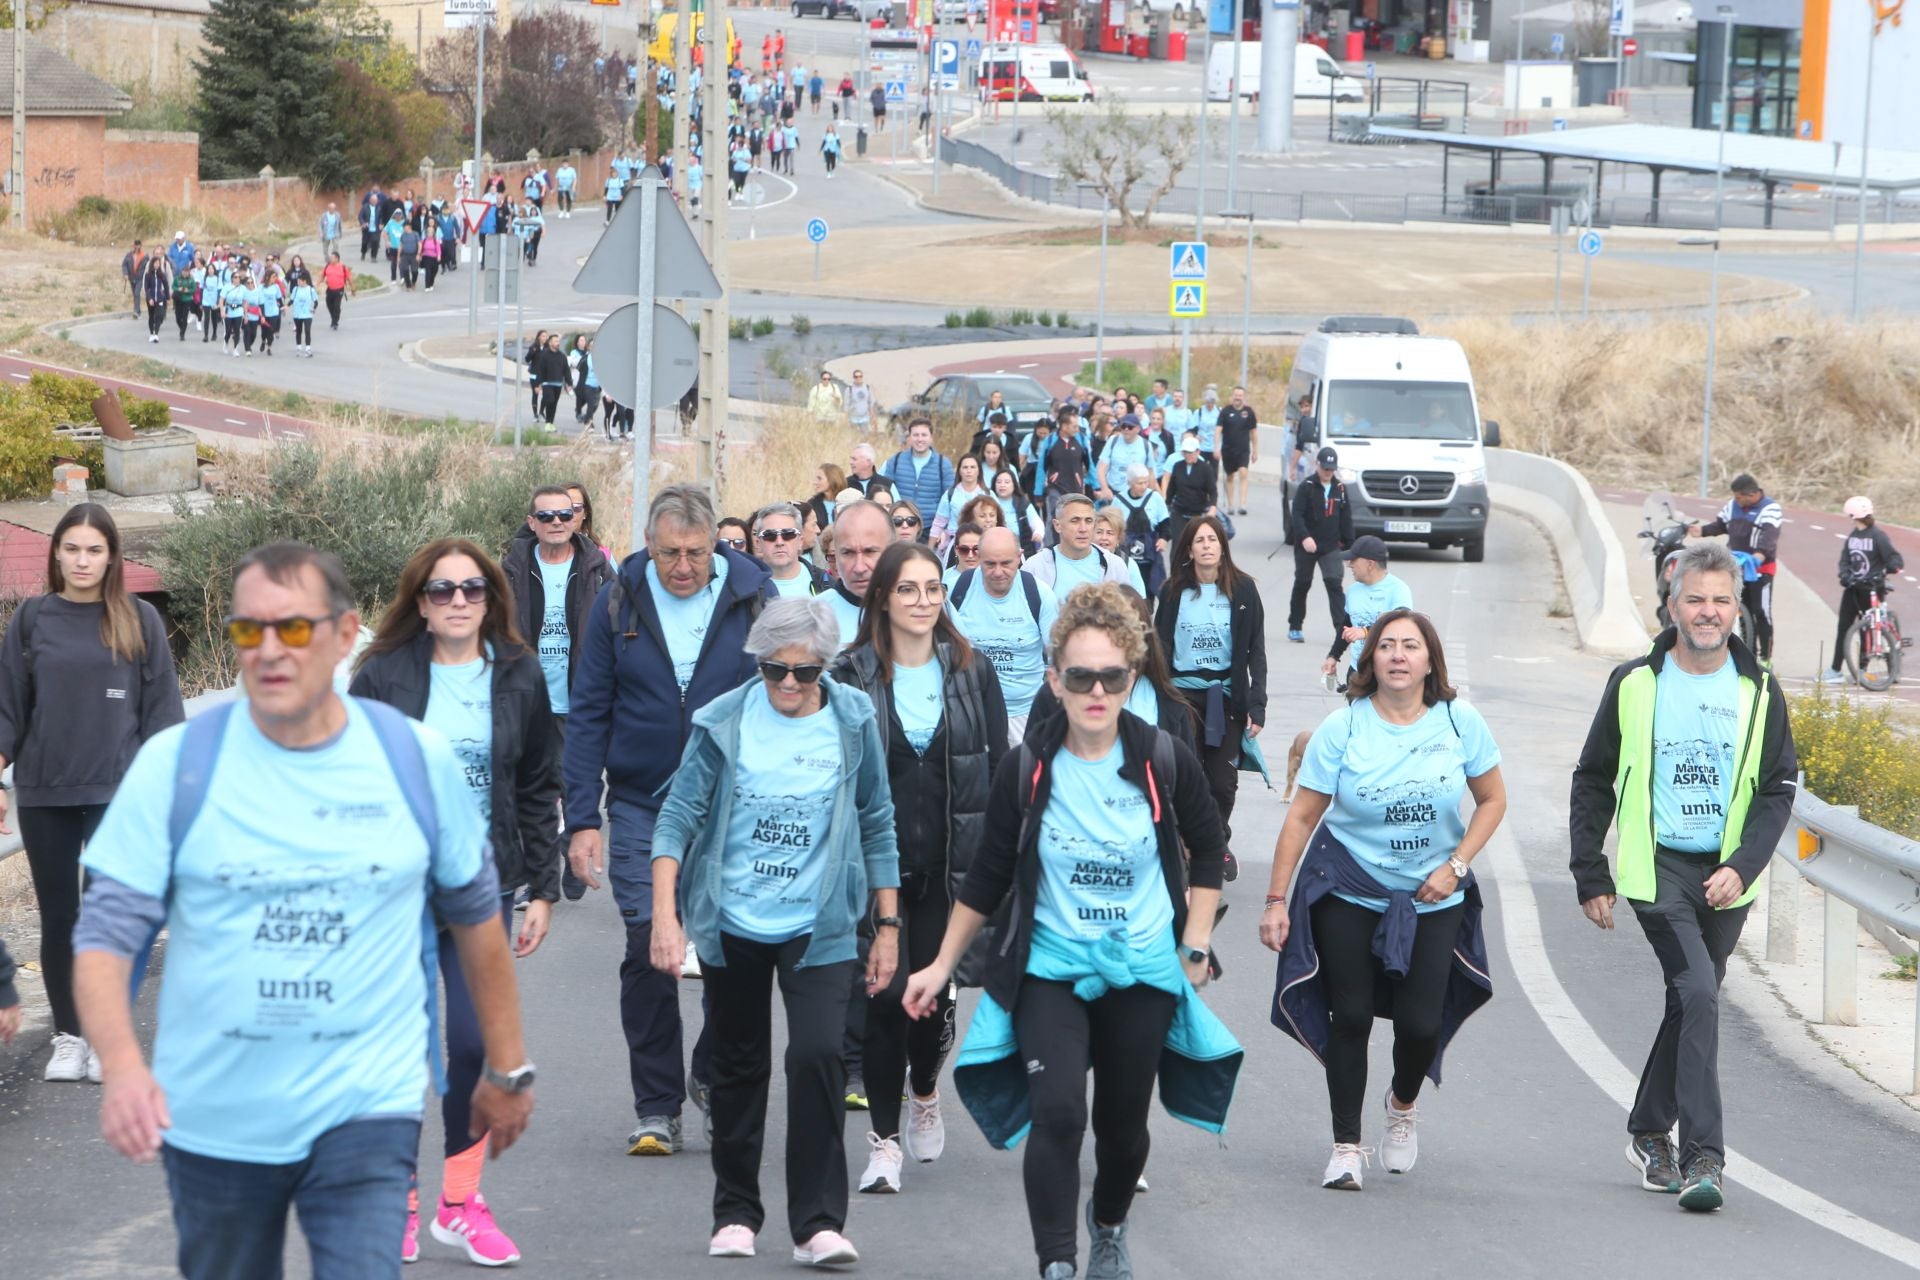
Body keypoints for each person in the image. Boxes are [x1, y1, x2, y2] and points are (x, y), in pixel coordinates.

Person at [72, 541, 534, 1280]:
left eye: (293, 628)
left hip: (366, 1105)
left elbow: (478, 919)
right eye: (248, 631)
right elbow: (106, 932)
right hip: (215, 1115)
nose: (269, 650)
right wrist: (123, 1066)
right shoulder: (176, 763)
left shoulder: (415, 760)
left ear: (345, 635)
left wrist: (508, 1067)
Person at [904, 582, 1238, 1280]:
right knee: (1057, 1113)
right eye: (1080, 676)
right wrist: (940, 965)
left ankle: (1109, 1224)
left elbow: (1210, 850)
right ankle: (1057, 1263)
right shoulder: (1025, 769)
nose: (1095, 691)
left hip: (1141, 969)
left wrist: (1196, 942)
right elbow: (989, 876)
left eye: (1111, 676)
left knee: (1122, 1131)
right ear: (1054, 679)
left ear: (1131, 677)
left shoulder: (1160, 760)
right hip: (1050, 970)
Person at [643, 595, 895, 1265]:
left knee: (816, 1056)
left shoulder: (851, 720)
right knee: (738, 1063)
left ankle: (817, 1224)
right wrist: (665, 917)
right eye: (773, 669)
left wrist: (890, 923)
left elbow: (876, 820)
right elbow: (675, 820)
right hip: (736, 921)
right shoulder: (725, 721)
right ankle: (735, 1212)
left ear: (826, 669)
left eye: (805, 672)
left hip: (822, 924)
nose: (788, 684)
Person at [349, 539, 562, 1267]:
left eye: (472, 590)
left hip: (485, 887)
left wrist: (543, 888)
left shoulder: (520, 676)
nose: (459, 602)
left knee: (474, 1046)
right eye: (442, 591)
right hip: (396, 893)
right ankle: (398, 1201)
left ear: (491, 599)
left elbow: (538, 786)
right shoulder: (381, 677)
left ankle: (459, 1203)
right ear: (420, 602)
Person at [1569, 542, 1798, 1213]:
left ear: (1737, 608)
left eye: (1720, 600)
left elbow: (1778, 787)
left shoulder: (1759, 689)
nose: (1707, 612)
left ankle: (1647, 1131)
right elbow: (1592, 780)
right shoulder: (1636, 684)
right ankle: (1705, 1156)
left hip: (1727, 877)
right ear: (1671, 606)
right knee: (1698, 989)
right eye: (1695, 599)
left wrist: (1742, 866)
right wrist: (1590, 871)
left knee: (1690, 999)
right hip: (1658, 867)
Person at [1260, 608, 1506, 1190]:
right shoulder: (1343, 728)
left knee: (1420, 1025)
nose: (1398, 655)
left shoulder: (1459, 721)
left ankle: (1401, 1104)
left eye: (1410, 646)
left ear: (1429, 660)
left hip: (1432, 895)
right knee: (1349, 1015)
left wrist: (1456, 865)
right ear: (1368, 660)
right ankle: (1346, 1146)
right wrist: (1274, 900)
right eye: (1386, 646)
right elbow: (1301, 817)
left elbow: (1492, 800)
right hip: (1350, 886)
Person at [565, 487, 773, 1156]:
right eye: (668, 554)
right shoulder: (618, 599)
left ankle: (712, 1075)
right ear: (647, 547)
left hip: (731, 803)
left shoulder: (755, 597)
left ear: (718, 545)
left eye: (695, 553)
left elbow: (787, 696)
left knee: (728, 952)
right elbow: (589, 708)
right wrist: (581, 819)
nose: (682, 567)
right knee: (644, 944)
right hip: (638, 802)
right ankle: (656, 1106)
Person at [832, 542, 1008, 1196]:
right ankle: (883, 1144)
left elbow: (996, 775)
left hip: (949, 870)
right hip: (875, 871)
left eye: (932, 588)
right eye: (907, 589)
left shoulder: (971, 671)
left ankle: (925, 1088)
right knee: (882, 999)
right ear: (882, 597)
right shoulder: (849, 676)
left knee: (925, 1002)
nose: (922, 601)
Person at [0, 504, 182, 1083]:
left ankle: (107, 1036)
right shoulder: (31, 620)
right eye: (72, 548)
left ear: (111, 557)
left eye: (94, 550)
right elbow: (8, 709)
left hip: (119, 794)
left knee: (107, 918)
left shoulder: (138, 619)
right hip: (44, 789)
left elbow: (163, 717)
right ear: (56, 552)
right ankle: (68, 1036)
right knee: (60, 918)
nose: (82, 560)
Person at [503, 485, 615, 902]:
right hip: (527, 700)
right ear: (531, 523)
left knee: (574, 783)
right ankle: (540, 872)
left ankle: (572, 850)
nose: (556, 524)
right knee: (531, 791)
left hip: (577, 698)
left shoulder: (597, 569)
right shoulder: (511, 568)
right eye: (546, 517)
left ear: (577, 519)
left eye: (564, 515)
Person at [1155, 514, 1265, 883]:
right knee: (1188, 775)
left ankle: (1216, 839)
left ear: (1222, 546)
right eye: (1199, 540)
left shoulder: (1244, 589)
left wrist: (1257, 704)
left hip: (1225, 697)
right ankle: (1195, 844)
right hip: (1181, 695)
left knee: (1221, 782)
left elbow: (1256, 652)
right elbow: (1160, 646)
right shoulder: (1173, 591)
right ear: (1188, 549)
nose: (1206, 546)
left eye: (1212, 540)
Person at [947, 527, 1059, 741]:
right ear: (978, 557)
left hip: (1024, 714)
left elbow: (1058, 656)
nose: (998, 572)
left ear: (1019, 557)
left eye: (1006, 563)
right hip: (971, 713)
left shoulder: (1039, 594)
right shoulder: (955, 590)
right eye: (990, 564)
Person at [1689, 473, 1783, 664]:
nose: (1736, 501)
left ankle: (1766, 658)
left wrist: (1759, 555)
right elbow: (1720, 525)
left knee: (1761, 611)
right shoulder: (1733, 506)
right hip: (1736, 566)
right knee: (1739, 610)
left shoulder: (1770, 509)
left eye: (1739, 497)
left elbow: (1770, 537)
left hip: (1761, 570)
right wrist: (1702, 531)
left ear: (1751, 494)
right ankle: (1748, 654)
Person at [1823, 496, 1906, 684]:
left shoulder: (1878, 536)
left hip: (1873, 590)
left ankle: (1861, 669)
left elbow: (1894, 559)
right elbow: (1845, 560)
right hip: (1853, 589)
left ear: (1852, 515)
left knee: (1866, 630)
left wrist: (1889, 569)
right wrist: (1845, 575)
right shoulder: (1853, 537)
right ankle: (1835, 669)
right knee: (1844, 627)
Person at [1322, 535, 1412, 687]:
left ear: (1370, 564)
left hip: (1387, 673)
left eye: (1354, 560)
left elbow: (1400, 623)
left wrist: (1365, 632)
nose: (1349, 564)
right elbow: (1346, 626)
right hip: (1357, 671)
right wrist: (1333, 656)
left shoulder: (1398, 589)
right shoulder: (1353, 591)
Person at [1288, 446, 1353, 644]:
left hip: (1330, 546)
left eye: (1331, 469)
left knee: (1334, 584)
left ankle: (1341, 630)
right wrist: (1305, 537)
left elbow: (1346, 519)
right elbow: (1297, 515)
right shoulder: (1306, 486)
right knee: (1302, 583)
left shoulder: (1340, 489)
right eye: (1325, 468)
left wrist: (1351, 549)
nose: (1328, 472)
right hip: (1307, 545)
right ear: (1317, 464)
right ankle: (1295, 625)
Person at [1026, 494, 1133, 600]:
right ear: (1057, 526)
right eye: (1075, 521)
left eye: (1088, 521)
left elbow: (1126, 611)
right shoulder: (1035, 567)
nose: (1083, 529)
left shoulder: (1114, 565)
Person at [1110, 464, 1172, 599]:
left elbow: (1165, 523)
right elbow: (1112, 526)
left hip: (1150, 551)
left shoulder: (1155, 498)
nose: (1144, 486)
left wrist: (1163, 539)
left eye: (1146, 482)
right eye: (1139, 483)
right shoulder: (1118, 500)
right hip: (1126, 552)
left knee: (1151, 589)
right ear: (1130, 483)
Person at [883, 419, 958, 526]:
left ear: (931, 438)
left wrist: (944, 527)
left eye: (924, 435)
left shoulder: (943, 464)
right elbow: (886, 491)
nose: (920, 439)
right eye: (915, 435)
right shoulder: (896, 461)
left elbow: (950, 499)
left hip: (931, 527)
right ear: (909, 437)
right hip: (901, 525)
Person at [755, 502, 829, 599]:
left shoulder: (826, 584)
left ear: (800, 541)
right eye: (770, 535)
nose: (779, 542)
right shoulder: (744, 589)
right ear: (758, 543)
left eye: (788, 534)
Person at [1160, 432, 1217, 551]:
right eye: (1185, 452)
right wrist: (1166, 504)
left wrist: (1212, 506)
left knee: (1195, 546)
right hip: (1179, 512)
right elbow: (1172, 489)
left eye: (1190, 452)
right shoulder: (1177, 466)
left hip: (1197, 513)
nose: (1188, 455)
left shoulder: (1205, 469)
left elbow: (1212, 491)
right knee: (1177, 545)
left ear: (1198, 452)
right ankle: (1175, 569)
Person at [930, 454, 989, 553]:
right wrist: (930, 549)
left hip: (982, 544)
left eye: (972, 467)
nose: (969, 471)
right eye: (965, 467)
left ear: (979, 470)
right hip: (954, 544)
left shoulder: (987, 494)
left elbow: (997, 521)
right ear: (960, 471)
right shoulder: (950, 494)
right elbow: (938, 523)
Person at [1217, 386, 1259, 516]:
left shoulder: (1249, 412)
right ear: (1232, 396)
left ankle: (1242, 504)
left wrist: (1255, 450)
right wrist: (1216, 447)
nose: (1238, 397)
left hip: (1243, 450)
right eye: (1236, 395)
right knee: (1229, 476)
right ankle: (1230, 504)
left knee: (1243, 473)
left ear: (1243, 397)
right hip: (1228, 450)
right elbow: (1218, 430)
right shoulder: (1225, 411)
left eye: (1240, 395)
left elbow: (1253, 432)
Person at [321, 252, 353, 331]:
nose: (330, 259)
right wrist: (317, 284)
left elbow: (349, 279)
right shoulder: (327, 266)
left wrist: (353, 289)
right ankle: (334, 318)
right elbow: (322, 276)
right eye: (330, 257)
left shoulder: (343, 267)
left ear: (337, 259)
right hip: (330, 289)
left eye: (332, 257)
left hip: (339, 290)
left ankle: (335, 322)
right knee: (329, 304)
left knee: (336, 306)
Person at [141, 256, 170, 343]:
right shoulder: (148, 275)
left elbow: (166, 286)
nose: (157, 265)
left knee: (159, 316)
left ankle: (156, 334)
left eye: (158, 263)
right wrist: (149, 298)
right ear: (152, 264)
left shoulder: (161, 275)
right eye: (155, 263)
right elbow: (147, 288)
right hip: (151, 298)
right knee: (151, 316)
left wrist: (167, 297)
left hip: (160, 298)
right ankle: (151, 333)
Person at [121, 239, 146, 318]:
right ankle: (138, 311)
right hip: (132, 278)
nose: (137, 247)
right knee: (134, 294)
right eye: (135, 245)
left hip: (140, 278)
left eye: (138, 245)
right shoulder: (129, 255)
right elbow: (124, 265)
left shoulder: (144, 256)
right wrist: (125, 274)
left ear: (140, 246)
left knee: (137, 293)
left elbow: (147, 266)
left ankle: (136, 311)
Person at [846, 368, 875, 433]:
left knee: (865, 437)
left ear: (862, 377)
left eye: (860, 376)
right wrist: (846, 419)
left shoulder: (867, 388)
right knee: (854, 438)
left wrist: (872, 417)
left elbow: (870, 402)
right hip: (853, 418)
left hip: (865, 418)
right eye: (856, 377)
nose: (858, 378)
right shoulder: (849, 389)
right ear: (853, 378)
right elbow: (846, 405)